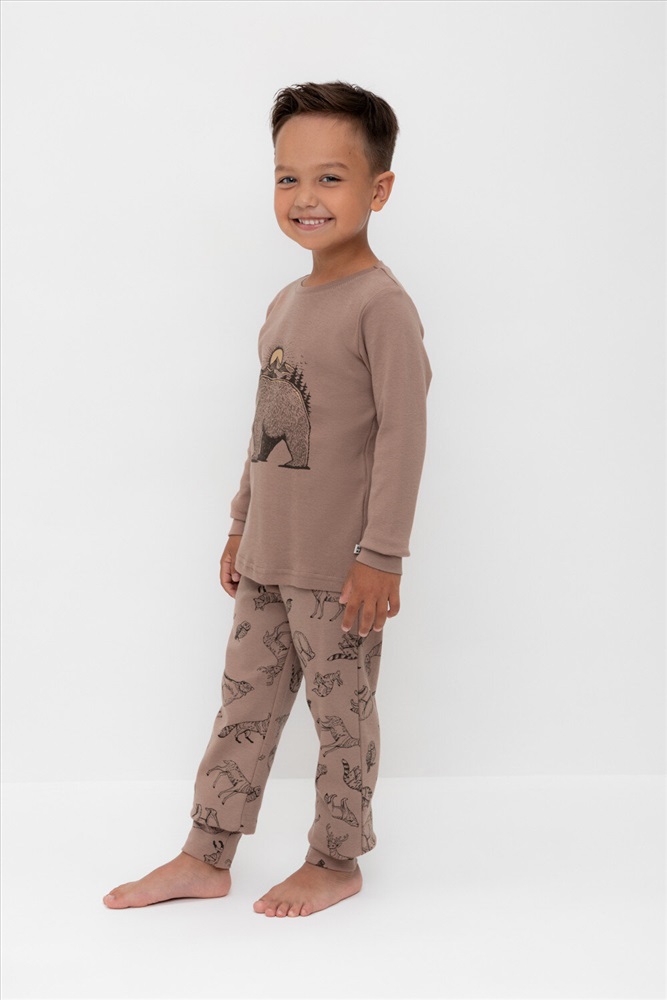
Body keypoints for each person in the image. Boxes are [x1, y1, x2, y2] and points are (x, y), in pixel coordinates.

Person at [103, 80, 432, 917]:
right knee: (241, 706)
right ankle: (205, 854)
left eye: (329, 178)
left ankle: (336, 859)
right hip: (267, 560)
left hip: (338, 570)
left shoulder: (382, 308)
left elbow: (403, 435)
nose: (305, 197)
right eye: (288, 178)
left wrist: (380, 555)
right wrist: (239, 525)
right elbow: (267, 425)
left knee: (340, 716)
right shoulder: (285, 303)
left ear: (378, 190)